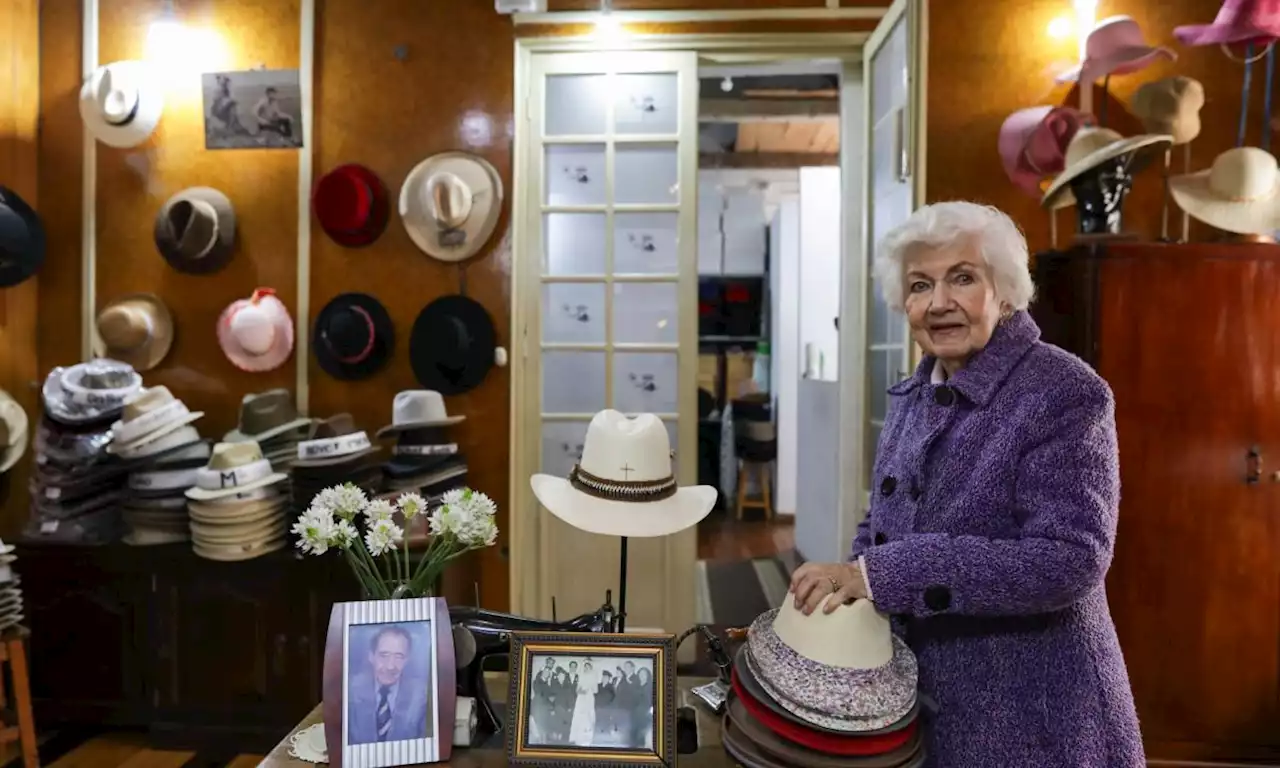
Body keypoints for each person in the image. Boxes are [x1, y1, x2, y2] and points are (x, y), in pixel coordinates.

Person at [789, 201, 1143, 767]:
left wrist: (878, 575)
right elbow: (884, 521)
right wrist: (848, 593)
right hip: (925, 702)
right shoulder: (916, 391)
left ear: (1004, 291)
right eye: (919, 285)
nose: (938, 303)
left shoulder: (1065, 391)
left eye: (962, 278)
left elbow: (1070, 560)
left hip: (1036, 717)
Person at [347, 625, 430, 745]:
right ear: (371, 656)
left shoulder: (422, 695)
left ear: (407, 660)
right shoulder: (349, 691)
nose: (391, 666)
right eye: (384, 655)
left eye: (399, 656)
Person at [569, 660, 599, 745]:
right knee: (579, 716)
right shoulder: (581, 676)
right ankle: (577, 737)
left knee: (588, 716)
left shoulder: (594, 677)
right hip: (581, 698)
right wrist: (581, 691)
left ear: (591, 668)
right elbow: (577, 690)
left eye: (588, 667)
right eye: (585, 667)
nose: (586, 669)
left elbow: (596, 691)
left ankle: (588, 737)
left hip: (589, 698)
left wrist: (589, 689)